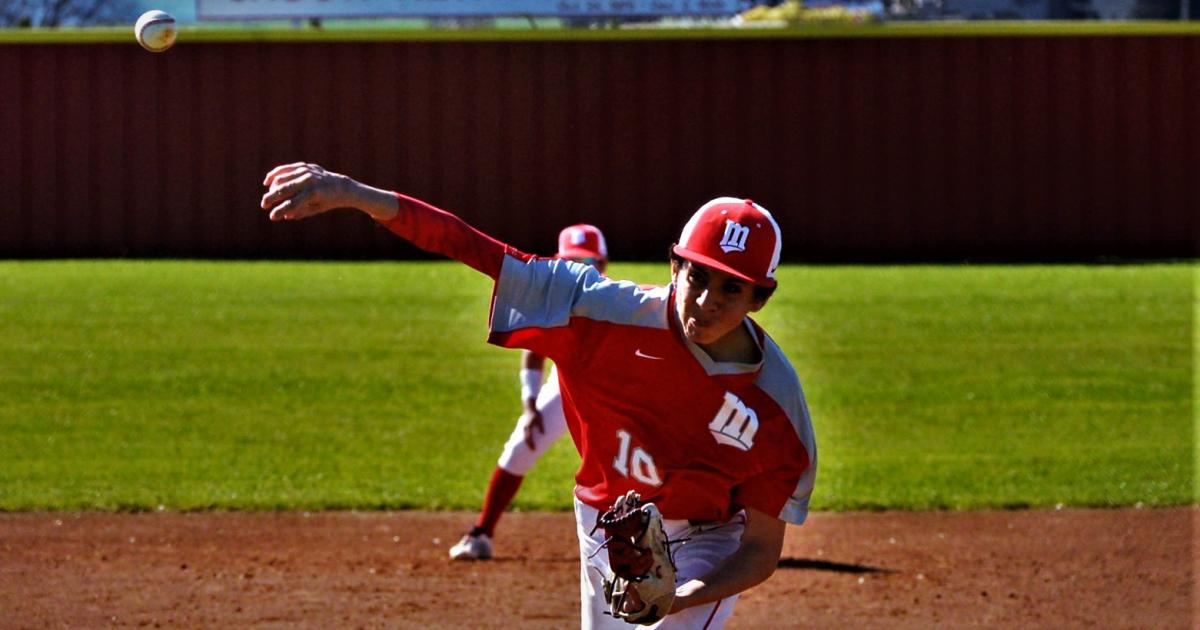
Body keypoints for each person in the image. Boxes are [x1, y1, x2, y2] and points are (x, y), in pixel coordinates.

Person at [259, 163, 817, 629]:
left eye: (731, 287)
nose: (706, 301)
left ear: (759, 299)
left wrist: (683, 594)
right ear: (675, 267)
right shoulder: (597, 309)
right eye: (698, 276)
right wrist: (359, 196)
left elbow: (761, 548)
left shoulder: (777, 405)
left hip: (711, 537)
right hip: (609, 519)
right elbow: (476, 248)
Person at [449, 224, 609, 561]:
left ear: (602, 265)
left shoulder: (619, 301)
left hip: (608, 393)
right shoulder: (555, 297)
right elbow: (535, 350)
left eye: (587, 262)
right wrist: (530, 402)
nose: (578, 269)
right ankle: (481, 533)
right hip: (564, 386)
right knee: (523, 444)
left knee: (627, 465)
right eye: (571, 261)